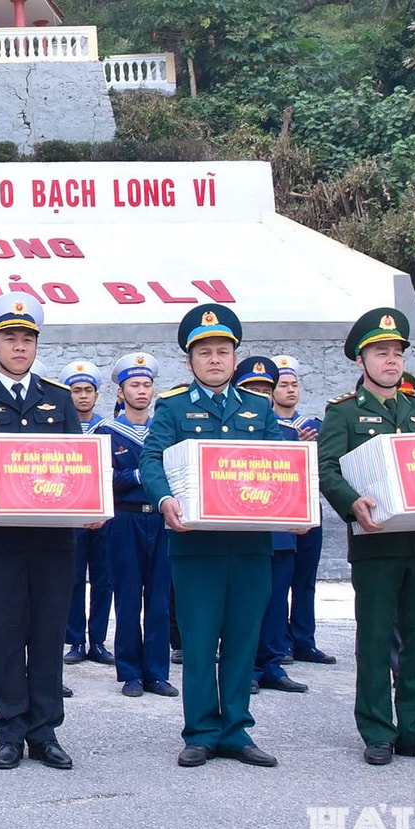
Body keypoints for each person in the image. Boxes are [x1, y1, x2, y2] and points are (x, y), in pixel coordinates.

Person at [140, 306, 292, 768]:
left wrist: (296, 506)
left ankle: (237, 732)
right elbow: (151, 461)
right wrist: (165, 500)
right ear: (190, 361)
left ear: (235, 356)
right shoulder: (172, 407)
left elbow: (281, 468)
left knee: (244, 638)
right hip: (196, 545)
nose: (214, 360)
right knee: (201, 640)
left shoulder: (259, 409)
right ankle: (202, 732)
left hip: (250, 545)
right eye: (204, 352)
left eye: (223, 351)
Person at [0, 298, 88, 770]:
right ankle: (9, 729)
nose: (19, 346)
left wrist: (92, 501)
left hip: (52, 538)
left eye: (27, 339)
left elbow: (77, 463)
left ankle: (45, 732)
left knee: (47, 632)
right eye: (10, 339)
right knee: (6, 634)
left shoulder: (59, 397)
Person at [315, 309, 415, 765]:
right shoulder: (343, 412)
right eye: (382, 352)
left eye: (397, 352)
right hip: (376, 541)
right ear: (362, 361)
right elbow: (325, 467)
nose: (391, 360)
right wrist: (352, 501)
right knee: (377, 638)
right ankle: (378, 730)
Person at [104, 351, 176, 699]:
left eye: (147, 384)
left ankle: (157, 672)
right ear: (121, 392)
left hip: (161, 518)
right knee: (129, 597)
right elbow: (102, 478)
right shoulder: (107, 431)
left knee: (160, 599)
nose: (142, 391)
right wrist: (138, 474)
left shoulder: (164, 430)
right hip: (126, 517)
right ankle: (130, 672)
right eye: (134, 385)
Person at [234, 356, 306, 697]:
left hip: (280, 532)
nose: (261, 396)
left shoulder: (290, 433)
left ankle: (272, 665)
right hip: (245, 529)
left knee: (277, 602)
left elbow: (297, 480)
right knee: (246, 606)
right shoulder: (231, 429)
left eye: (266, 389)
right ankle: (247, 666)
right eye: (252, 389)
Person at [271, 355, 331, 667]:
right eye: (283, 385)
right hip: (280, 513)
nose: (290, 390)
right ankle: (280, 643)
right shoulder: (268, 426)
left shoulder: (315, 426)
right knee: (280, 580)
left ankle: (305, 640)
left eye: (295, 384)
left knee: (305, 580)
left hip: (310, 508)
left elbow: (327, 469)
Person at [60, 359, 113, 668]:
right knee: (74, 579)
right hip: (72, 513)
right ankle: (76, 640)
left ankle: (99, 640)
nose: (82, 396)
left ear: (96, 395)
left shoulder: (108, 427)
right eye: (76, 390)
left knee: (104, 579)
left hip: (105, 515)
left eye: (88, 390)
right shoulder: (61, 429)